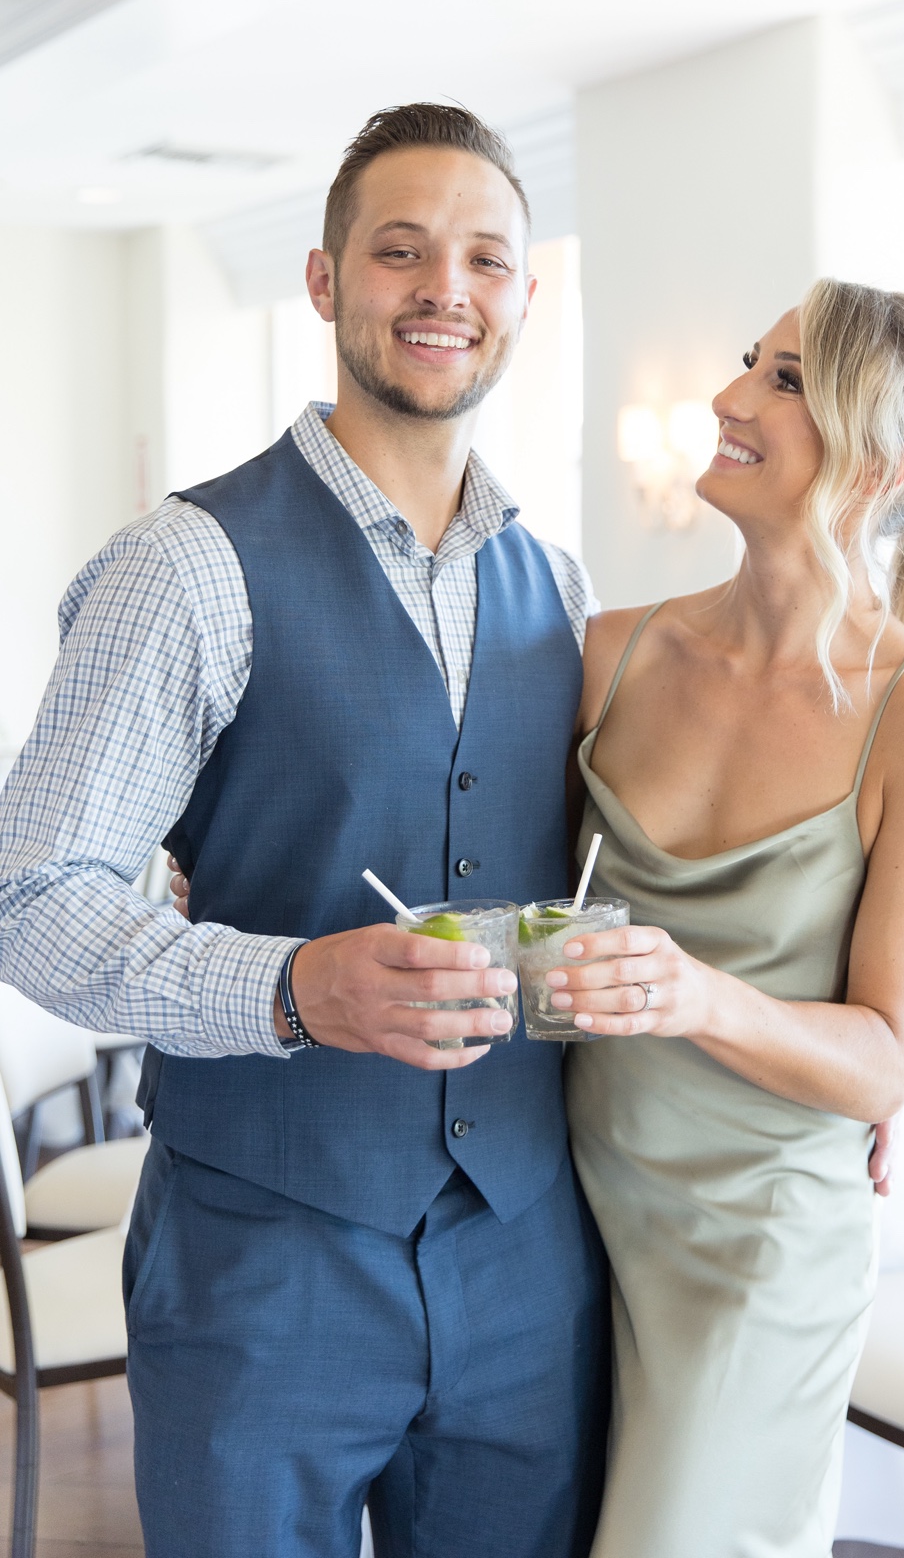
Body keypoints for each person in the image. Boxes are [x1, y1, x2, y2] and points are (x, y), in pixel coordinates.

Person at [0, 105, 611, 1558]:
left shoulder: (566, 588)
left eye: (484, 259)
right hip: (263, 1254)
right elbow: (33, 891)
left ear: (527, 295)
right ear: (328, 281)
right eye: (400, 252)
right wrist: (286, 986)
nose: (444, 290)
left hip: (525, 1255)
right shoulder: (186, 564)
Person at [548, 280, 904, 1558]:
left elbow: (884, 1054)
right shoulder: (604, 653)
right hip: (553, 1208)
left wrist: (701, 995)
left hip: (752, 1256)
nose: (726, 399)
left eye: (784, 380)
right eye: (748, 363)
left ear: (888, 463)